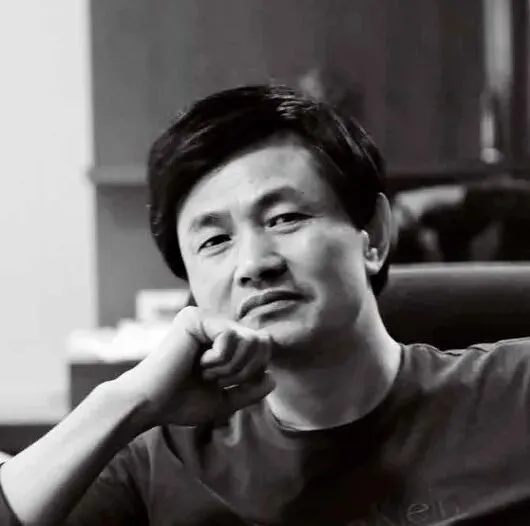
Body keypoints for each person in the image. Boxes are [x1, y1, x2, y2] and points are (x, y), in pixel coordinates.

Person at [1, 85, 530, 526]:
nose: (255, 263)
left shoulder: (516, 391)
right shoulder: (159, 462)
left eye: (285, 219)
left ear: (372, 236)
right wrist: (126, 400)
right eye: (215, 241)